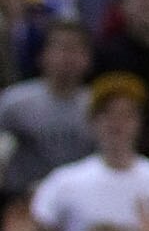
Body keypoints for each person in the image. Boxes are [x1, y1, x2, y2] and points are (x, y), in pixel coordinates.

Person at [30, 75, 149, 231]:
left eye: (126, 115)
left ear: (139, 121)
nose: (117, 124)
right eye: (108, 114)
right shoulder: (64, 181)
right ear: (93, 121)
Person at [0, 15, 94, 194]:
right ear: (43, 55)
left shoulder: (96, 105)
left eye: (75, 49)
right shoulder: (15, 103)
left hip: (80, 199)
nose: (67, 57)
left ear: (87, 59)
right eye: (61, 48)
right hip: (23, 199)